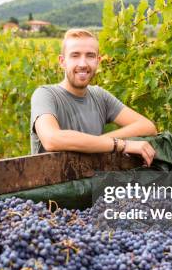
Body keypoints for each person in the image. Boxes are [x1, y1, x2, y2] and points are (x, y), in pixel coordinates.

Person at [30, 28, 158, 166]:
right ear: (62, 61)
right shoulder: (45, 95)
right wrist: (119, 144)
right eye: (75, 55)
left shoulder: (100, 96)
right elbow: (51, 139)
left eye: (90, 56)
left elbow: (148, 127)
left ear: (98, 61)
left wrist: (97, 143)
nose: (83, 64)